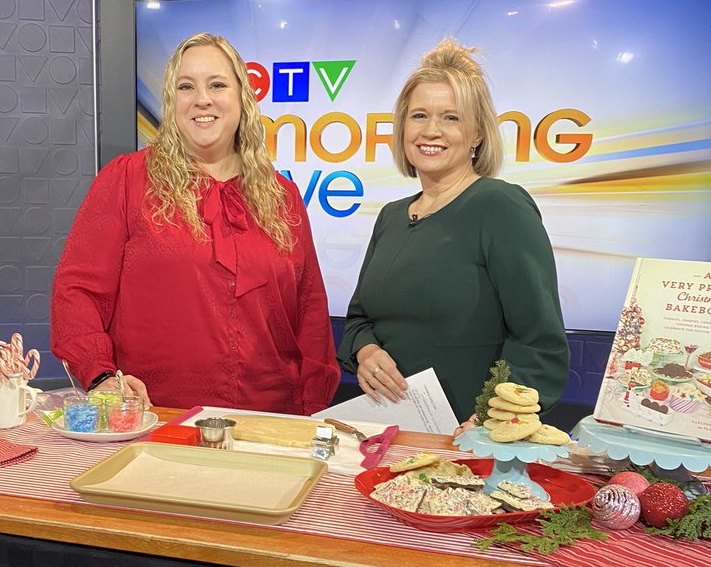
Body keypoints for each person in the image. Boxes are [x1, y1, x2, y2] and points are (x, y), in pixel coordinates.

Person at [51, 32, 339, 414]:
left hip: (269, 422)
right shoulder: (127, 180)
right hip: (154, 418)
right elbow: (78, 290)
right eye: (187, 86)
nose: (202, 98)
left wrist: (312, 411)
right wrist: (101, 376)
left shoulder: (283, 196)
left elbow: (311, 311)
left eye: (217, 84)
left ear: (242, 98)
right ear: (173, 103)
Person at [338, 37, 569, 425]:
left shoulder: (501, 206)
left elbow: (539, 343)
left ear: (477, 133)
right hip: (389, 430)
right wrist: (365, 352)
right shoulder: (392, 216)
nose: (431, 131)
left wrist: (492, 420)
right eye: (419, 116)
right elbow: (359, 321)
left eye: (451, 117)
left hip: (470, 437)